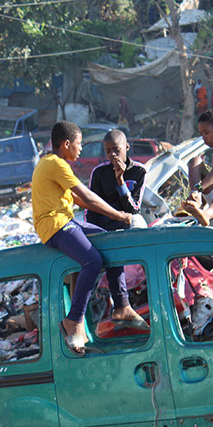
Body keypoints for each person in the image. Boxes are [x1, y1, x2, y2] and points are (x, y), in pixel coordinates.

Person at [31, 121, 148, 355]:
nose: (81, 149)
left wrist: (118, 216)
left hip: (66, 220)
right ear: (66, 144)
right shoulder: (56, 164)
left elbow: (81, 201)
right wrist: (121, 216)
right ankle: (73, 321)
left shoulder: (53, 164)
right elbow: (88, 198)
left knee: (109, 242)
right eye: (79, 144)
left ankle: (122, 306)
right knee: (92, 261)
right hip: (55, 225)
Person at [86, 129, 146, 232]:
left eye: (116, 150)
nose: (112, 154)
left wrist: (120, 180)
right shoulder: (99, 172)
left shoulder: (139, 171)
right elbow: (91, 207)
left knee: (138, 221)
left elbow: (134, 209)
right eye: (108, 151)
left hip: (127, 222)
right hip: (104, 223)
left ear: (127, 147)